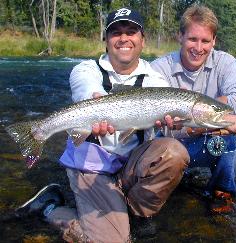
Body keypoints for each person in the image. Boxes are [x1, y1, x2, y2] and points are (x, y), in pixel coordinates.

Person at [15, 7, 190, 242]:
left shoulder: (155, 80)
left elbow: (172, 126)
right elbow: (87, 92)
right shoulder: (85, 69)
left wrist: (173, 123)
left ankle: (129, 214)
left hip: (129, 167)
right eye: (116, 32)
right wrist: (94, 105)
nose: (124, 38)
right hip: (92, 168)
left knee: (174, 152)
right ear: (106, 40)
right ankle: (50, 207)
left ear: (142, 40)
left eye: (131, 32)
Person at [151, 4, 236, 214]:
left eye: (205, 41)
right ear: (180, 37)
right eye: (192, 39)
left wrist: (192, 112)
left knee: (229, 136)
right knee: (227, 123)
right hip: (167, 148)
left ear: (214, 41)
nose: (198, 47)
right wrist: (216, 117)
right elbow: (169, 128)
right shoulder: (159, 68)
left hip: (204, 143)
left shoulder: (225, 62)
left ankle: (222, 192)